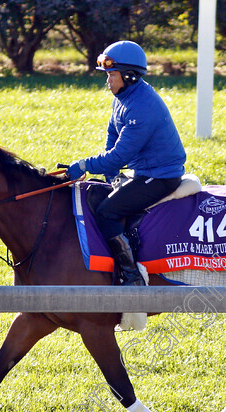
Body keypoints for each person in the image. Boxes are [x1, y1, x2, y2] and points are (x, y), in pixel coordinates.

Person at [67, 40, 186, 286]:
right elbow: (113, 137)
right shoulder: (123, 97)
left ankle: (132, 277)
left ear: (130, 76)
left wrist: (84, 165)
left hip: (161, 177)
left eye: (112, 74)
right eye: (107, 74)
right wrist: (109, 173)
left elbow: (121, 155)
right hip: (142, 172)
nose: (108, 80)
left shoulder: (142, 107)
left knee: (107, 212)